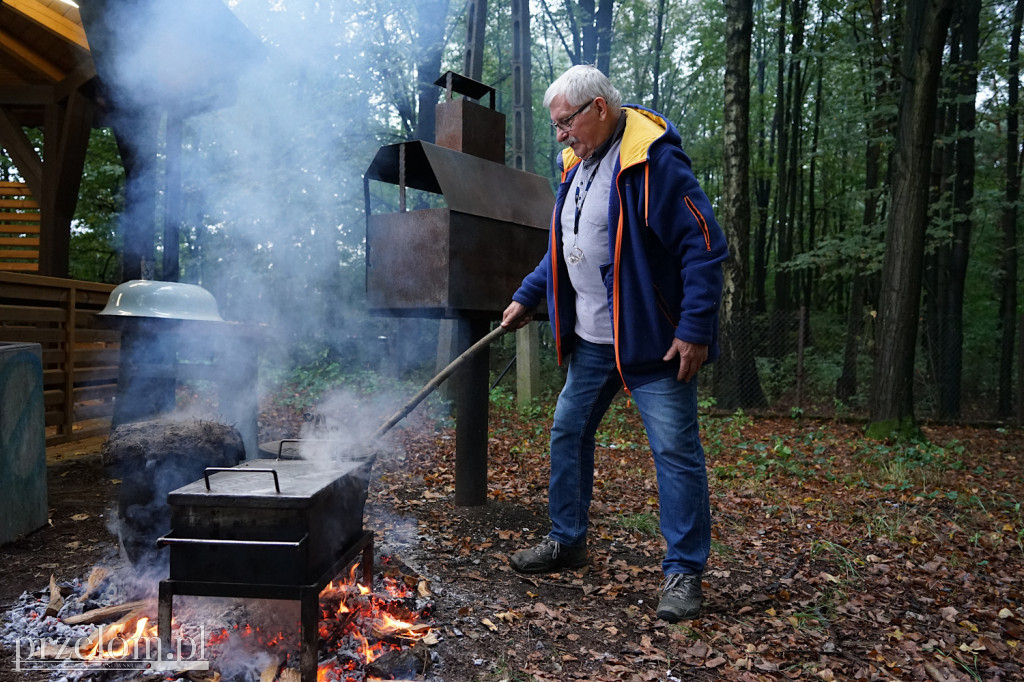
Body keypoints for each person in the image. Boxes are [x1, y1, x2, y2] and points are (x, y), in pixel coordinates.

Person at [500, 65, 728, 623]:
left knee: (675, 453)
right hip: (594, 342)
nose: (560, 135)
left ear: (598, 108)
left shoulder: (655, 162)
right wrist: (529, 296)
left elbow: (704, 246)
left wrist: (695, 328)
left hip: (652, 344)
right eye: (557, 126)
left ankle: (683, 572)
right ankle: (567, 539)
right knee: (567, 430)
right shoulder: (576, 165)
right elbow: (564, 245)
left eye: (566, 122)